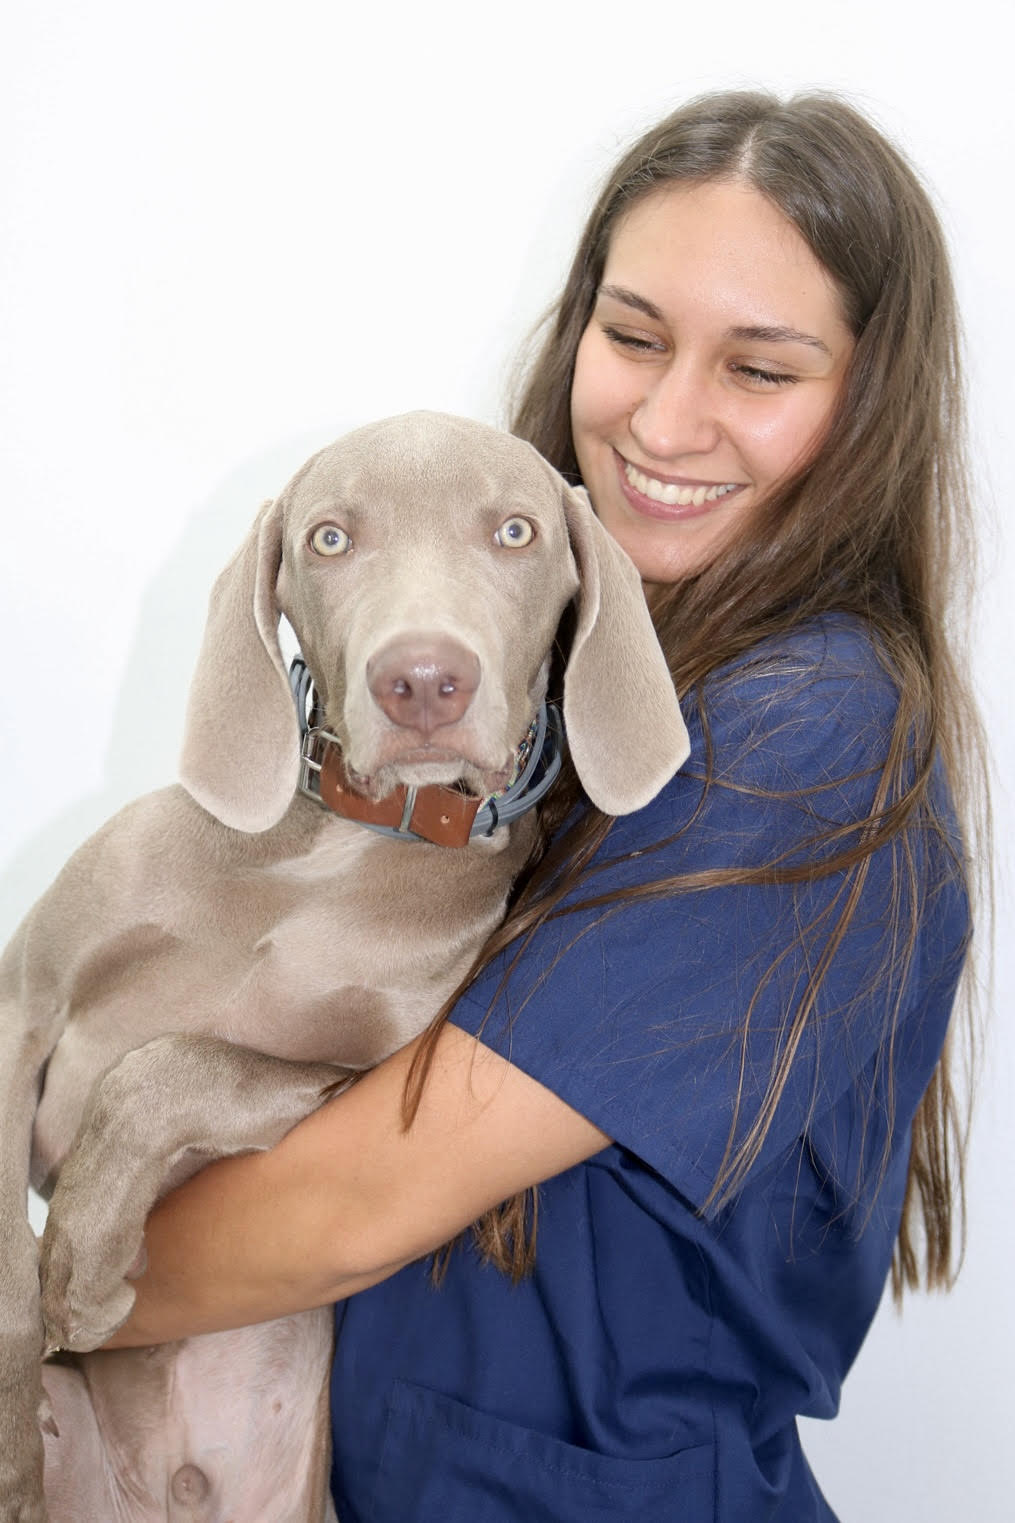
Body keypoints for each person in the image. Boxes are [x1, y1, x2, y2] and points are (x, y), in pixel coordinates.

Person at [101, 90, 983, 1520]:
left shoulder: (816, 732)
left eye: (761, 370)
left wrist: (44, 1301)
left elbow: (353, 1203)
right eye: (632, 337)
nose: (664, 418)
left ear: (866, 403)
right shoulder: (552, 695)